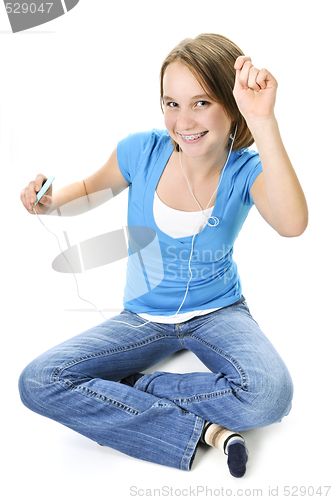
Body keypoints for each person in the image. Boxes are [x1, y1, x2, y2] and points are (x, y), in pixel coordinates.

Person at [19, 33, 308, 478]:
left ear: (232, 107)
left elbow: (292, 224)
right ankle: (207, 433)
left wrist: (264, 120)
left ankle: (132, 385)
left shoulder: (246, 170)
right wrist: (48, 199)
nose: (184, 119)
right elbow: (83, 193)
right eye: (171, 103)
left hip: (218, 312)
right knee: (38, 380)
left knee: (270, 395)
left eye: (201, 102)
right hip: (142, 319)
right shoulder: (141, 150)